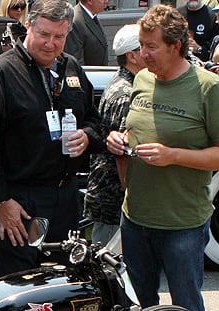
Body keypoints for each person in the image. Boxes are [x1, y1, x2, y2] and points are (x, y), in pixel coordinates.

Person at [106, 5, 219, 311]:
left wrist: (173, 156)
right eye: (141, 46)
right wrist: (119, 140)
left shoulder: (207, 87)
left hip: (182, 221)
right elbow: (137, 130)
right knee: (137, 307)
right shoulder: (142, 80)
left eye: (150, 47)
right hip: (136, 215)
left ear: (177, 46)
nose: (142, 54)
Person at [0, 0, 101, 280]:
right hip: (20, 199)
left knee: (66, 283)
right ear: (28, 25)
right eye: (44, 34)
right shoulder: (0, 74)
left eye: (59, 37)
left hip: (64, 196)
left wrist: (87, 137)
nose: (50, 44)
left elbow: (94, 119)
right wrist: (1, 201)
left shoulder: (71, 69)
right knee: (17, 285)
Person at [83, 24, 144, 247]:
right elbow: (122, 151)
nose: (148, 52)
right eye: (143, 47)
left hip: (109, 192)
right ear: (132, 55)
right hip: (113, 195)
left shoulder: (123, 82)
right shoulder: (126, 93)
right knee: (111, 266)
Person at [64, 0, 109, 66]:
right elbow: (76, 62)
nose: (107, 1)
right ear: (90, 1)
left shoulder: (92, 17)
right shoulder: (75, 22)